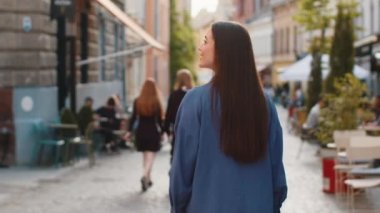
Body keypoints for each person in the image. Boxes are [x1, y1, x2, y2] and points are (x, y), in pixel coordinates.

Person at [170, 21, 287, 212]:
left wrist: (178, 208)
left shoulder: (195, 102)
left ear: (223, 50)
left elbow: (182, 172)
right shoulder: (264, 104)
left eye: (206, 41)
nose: (200, 47)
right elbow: (276, 172)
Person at [125, 79, 164, 192]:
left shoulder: (138, 100)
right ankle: (145, 175)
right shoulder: (156, 101)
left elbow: (133, 118)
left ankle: (148, 178)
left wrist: (129, 131)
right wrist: (163, 132)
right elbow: (160, 119)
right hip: (153, 131)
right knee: (151, 156)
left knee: (145, 156)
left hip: (141, 131)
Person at [163, 69, 194, 163]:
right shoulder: (194, 94)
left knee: (176, 152)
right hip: (192, 128)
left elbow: (168, 113)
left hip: (178, 128)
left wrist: (166, 130)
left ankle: (175, 171)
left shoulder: (174, 95)